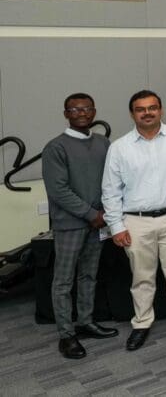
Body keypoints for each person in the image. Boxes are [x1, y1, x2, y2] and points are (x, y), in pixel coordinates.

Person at [102, 90, 166, 351]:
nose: (147, 113)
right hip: (136, 221)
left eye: (152, 107)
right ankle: (141, 323)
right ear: (133, 114)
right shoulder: (119, 147)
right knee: (142, 277)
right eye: (141, 109)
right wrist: (116, 226)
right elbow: (110, 191)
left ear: (161, 110)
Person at [42, 93, 117, 360]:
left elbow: (111, 179)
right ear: (66, 114)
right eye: (75, 109)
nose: (82, 113)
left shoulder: (103, 143)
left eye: (87, 108)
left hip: (99, 221)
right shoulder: (56, 148)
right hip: (71, 225)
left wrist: (106, 211)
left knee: (89, 275)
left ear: (94, 111)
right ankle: (66, 335)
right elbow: (58, 190)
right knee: (63, 281)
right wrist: (90, 214)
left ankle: (85, 322)